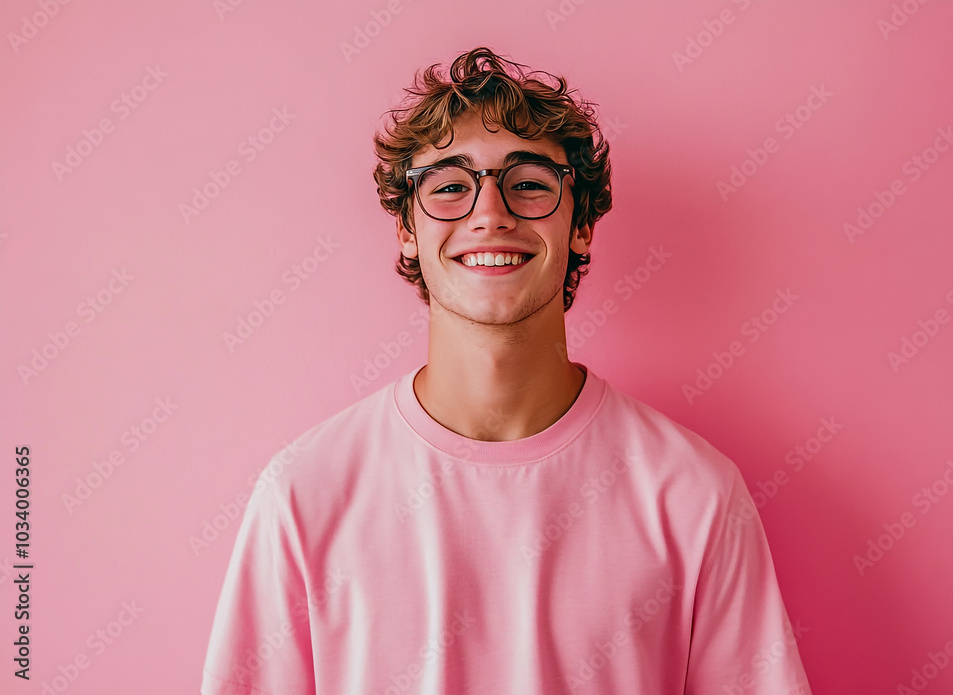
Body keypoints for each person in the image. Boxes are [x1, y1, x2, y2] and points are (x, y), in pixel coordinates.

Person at [201, 46, 813, 695]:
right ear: (408, 227)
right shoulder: (303, 494)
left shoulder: (695, 495)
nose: (489, 213)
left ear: (579, 223)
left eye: (527, 183)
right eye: (449, 186)